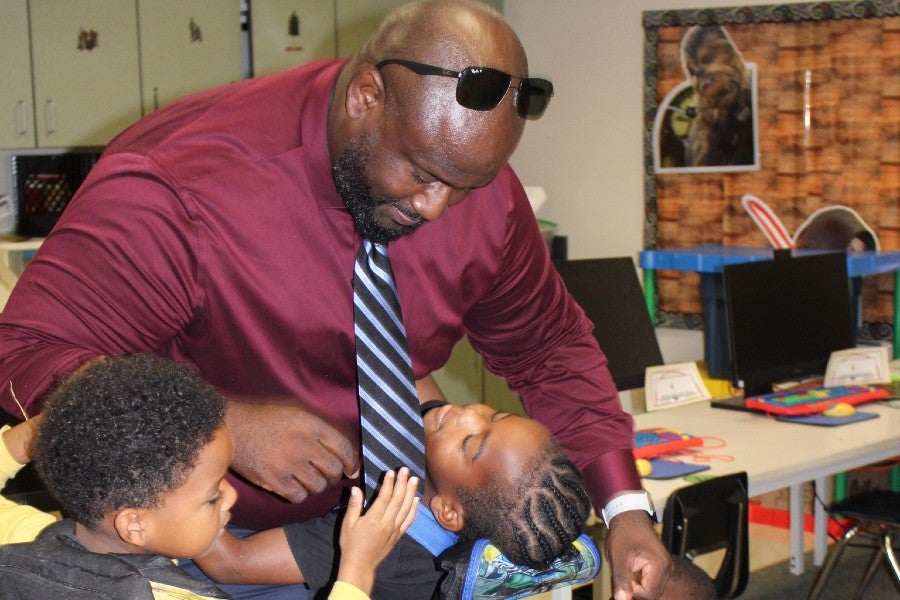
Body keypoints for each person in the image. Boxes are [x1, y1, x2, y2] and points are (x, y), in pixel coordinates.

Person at [0, 0, 671, 597]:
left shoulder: (470, 179)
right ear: (365, 97)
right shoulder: (181, 187)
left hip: (390, 556)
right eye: (420, 174)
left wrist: (624, 510)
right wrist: (219, 425)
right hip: (198, 563)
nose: (439, 208)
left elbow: (551, 349)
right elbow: (24, 356)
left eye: (466, 185)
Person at [0, 354, 419, 600]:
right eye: (212, 496)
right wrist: (358, 567)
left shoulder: (29, 536)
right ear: (134, 525)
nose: (231, 497)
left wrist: (29, 438)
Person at [193, 399, 592, 596]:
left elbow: (230, 563)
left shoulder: (384, 539)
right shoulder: (467, 533)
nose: (466, 411)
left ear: (448, 511)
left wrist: (194, 475)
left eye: (470, 443)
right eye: (497, 414)